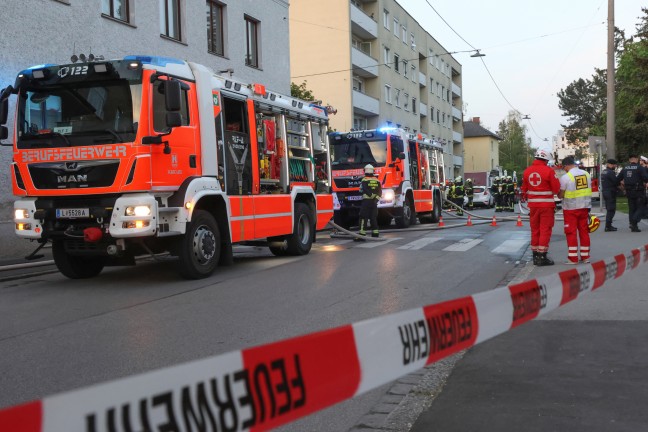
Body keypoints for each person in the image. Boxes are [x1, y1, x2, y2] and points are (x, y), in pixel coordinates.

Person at [521, 149, 561, 266]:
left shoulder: (527, 171)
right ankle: (542, 257)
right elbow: (556, 189)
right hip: (546, 206)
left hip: (533, 206)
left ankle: (534, 256)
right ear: (546, 159)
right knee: (545, 230)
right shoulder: (549, 171)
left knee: (535, 230)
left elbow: (524, 189)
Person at [558, 156, 592, 264]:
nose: (564, 169)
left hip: (570, 208)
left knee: (571, 232)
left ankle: (573, 258)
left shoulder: (566, 177)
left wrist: (558, 195)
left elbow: (561, 194)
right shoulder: (586, 174)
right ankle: (585, 256)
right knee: (584, 231)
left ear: (566, 165)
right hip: (585, 207)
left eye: (564, 167)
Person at [616, 154, 648, 232]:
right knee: (641, 207)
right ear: (636, 159)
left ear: (630, 160)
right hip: (638, 191)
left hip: (629, 191)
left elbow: (618, 179)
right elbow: (646, 178)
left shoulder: (624, 168)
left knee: (632, 208)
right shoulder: (640, 168)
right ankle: (634, 221)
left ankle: (633, 225)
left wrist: (621, 186)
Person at [358, 164, 382, 239]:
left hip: (366, 202)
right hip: (374, 202)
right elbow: (380, 192)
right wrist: (376, 199)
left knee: (363, 217)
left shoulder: (364, 180)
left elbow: (363, 189)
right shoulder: (377, 180)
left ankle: (362, 234)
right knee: (373, 217)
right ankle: (375, 233)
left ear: (365, 171)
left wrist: (370, 195)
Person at [600, 158, 619, 231]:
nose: (615, 166)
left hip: (605, 192)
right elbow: (615, 182)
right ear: (611, 164)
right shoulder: (611, 172)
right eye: (614, 165)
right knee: (611, 210)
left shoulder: (604, 172)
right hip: (610, 192)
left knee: (609, 209)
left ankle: (608, 225)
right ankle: (608, 226)